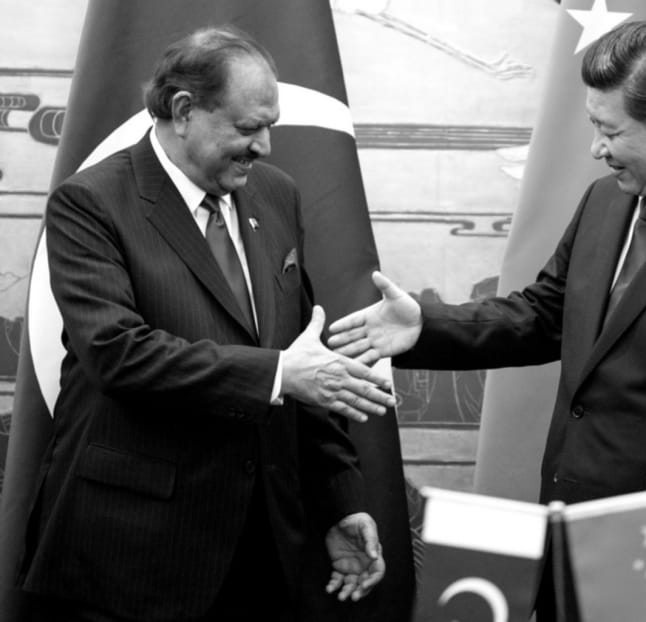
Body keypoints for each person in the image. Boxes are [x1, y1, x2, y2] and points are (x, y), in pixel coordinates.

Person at [329, 20, 646, 622]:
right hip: (577, 541)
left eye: (610, 130)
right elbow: (545, 314)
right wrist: (426, 327)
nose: (595, 148)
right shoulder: (605, 201)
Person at [16, 25, 395, 622]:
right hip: (134, 556)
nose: (264, 146)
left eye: (269, 126)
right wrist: (278, 374)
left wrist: (339, 501)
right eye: (248, 128)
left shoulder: (276, 194)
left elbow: (304, 360)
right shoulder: (91, 202)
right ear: (184, 110)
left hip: (263, 552)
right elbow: (118, 353)